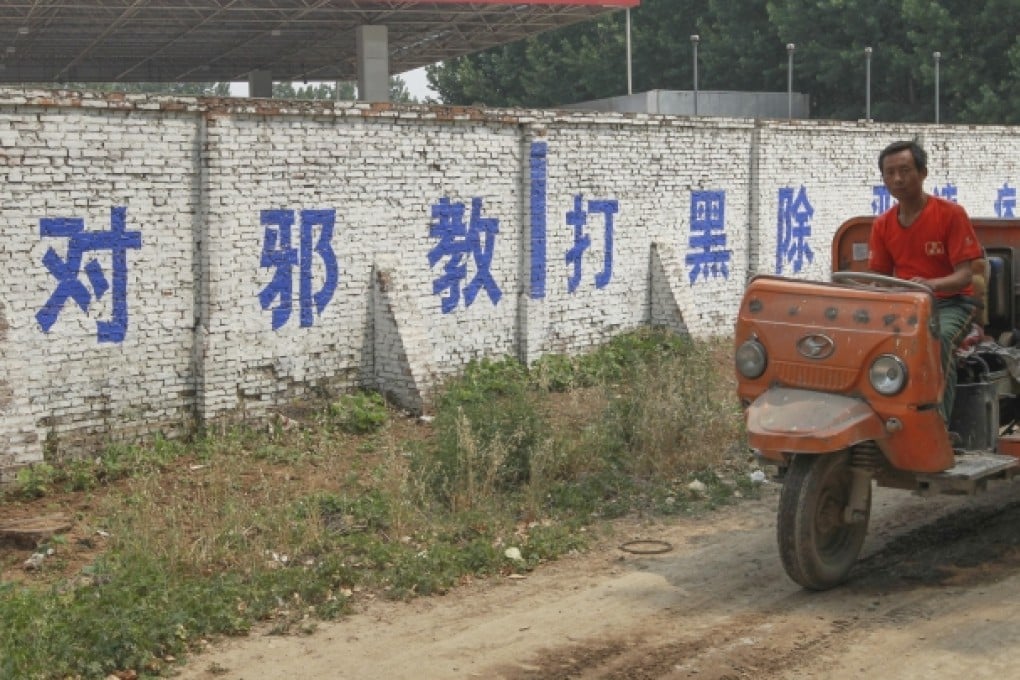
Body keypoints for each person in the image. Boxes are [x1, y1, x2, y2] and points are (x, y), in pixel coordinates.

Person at [868, 140, 983, 429]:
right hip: (907, 305)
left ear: (923, 173)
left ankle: (937, 427)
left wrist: (929, 284)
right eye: (889, 172)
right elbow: (878, 279)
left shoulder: (950, 215)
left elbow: (965, 276)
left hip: (952, 302)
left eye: (905, 170)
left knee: (937, 339)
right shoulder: (882, 225)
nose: (897, 179)